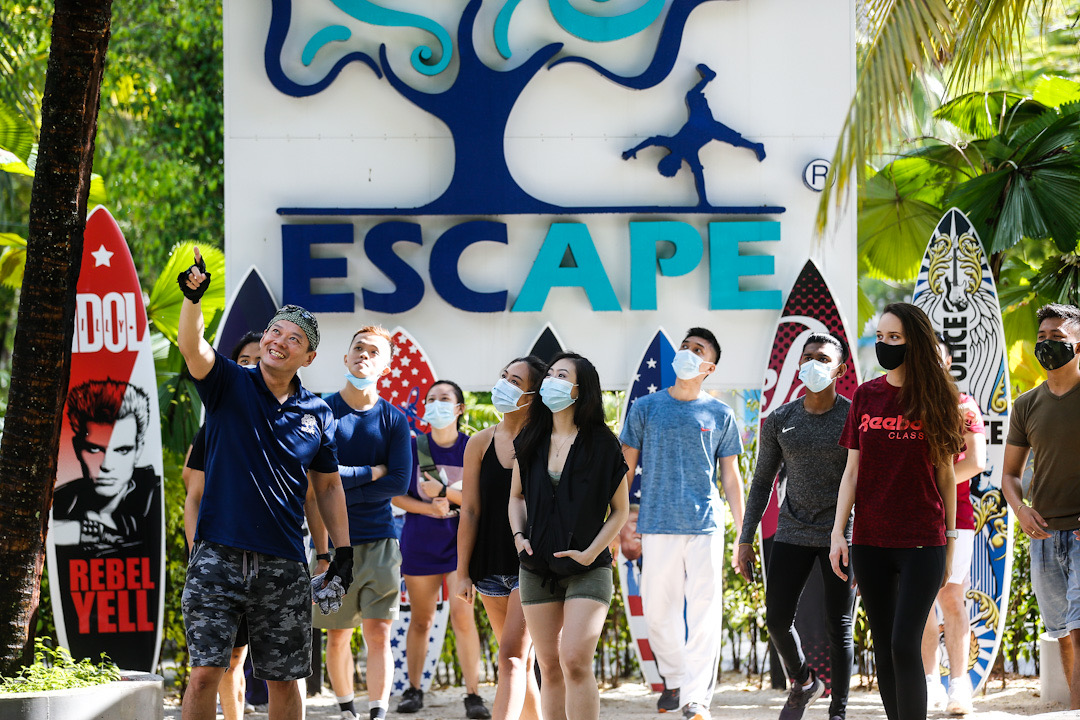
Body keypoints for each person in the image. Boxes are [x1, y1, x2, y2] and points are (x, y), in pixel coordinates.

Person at [177, 248, 354, 720]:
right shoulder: (228, 382)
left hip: (284, 562)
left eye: (294, 338)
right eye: (276, 331)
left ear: (308, 356)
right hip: (217, 556)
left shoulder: (318, 413)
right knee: (204, 673)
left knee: (285, 679)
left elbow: (328, 488)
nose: (280, 341)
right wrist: (193, 300)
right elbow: (193, 348)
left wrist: (342, 552)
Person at [829, 302, 965, 720]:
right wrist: (838, 534)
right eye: (880, 337)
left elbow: (946, 475)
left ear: (914, 342)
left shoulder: (939, 397)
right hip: (870, 541)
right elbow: (852, 472)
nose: (884, 344)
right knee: (885, 646)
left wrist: (950, 540)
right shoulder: (865, 396)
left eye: (894, 337)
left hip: (923, 540)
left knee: (905, 643)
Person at [620, 327, 745, 720]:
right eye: (685, 346)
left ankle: (696, 698)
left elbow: (730, 477)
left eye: (698, 350)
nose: (688, 353)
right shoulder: (646, 407)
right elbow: (625, 468)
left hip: (705, 524)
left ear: (709, 367)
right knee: (658, 611)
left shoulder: (720, 413)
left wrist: (743, 531)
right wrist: (618, 518)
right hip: (656, 523)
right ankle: (674, 678)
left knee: (704, 613)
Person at [736, 333, 855, 720]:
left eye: (823, 358)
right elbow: (761, 482)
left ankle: (838, 711)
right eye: (807, 357)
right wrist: (745, 538)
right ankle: (804, 682)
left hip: (840, 534)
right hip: (792, 529)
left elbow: (865, 481)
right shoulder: (781, 419)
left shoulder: (853, 417)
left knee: (839, 624)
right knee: (776, 620)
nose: (813, 364)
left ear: (840, 370)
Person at [509, 352, 631, 720]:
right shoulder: (530, 438)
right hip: (535, 566)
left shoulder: (603, 443)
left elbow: (620, 510)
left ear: (580, 390)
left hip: (588, 567)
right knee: (549, 667)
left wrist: (590, 552)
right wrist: (519, 536)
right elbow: (516, 497)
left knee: (575, 660)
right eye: (549, 375)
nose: (551, 381)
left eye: (562, 375)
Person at [307, 325, 412, 720]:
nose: (364, 355)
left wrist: (339, 489)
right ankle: (347, 710)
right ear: (345, 356)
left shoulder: (394, 420)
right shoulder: (321, 411)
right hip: (333, 547)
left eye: (373, 352)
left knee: (379, 633)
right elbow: (314, 481)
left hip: (381, 542)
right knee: (338, 635)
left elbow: (399, 482)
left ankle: (377, 713)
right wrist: (371, 473)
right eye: (358, 348)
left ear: (386, 367)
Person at [391, 380, 490, 719]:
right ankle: (413, 690)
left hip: (463, 544)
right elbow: (396, 496)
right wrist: (428, 508)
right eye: (431, 399)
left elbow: (483, 499)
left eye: (444, 398)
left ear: (460, 408)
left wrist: (445, 492)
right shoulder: (411, 447)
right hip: (420, 543)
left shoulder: (473, 446)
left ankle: (473, 695)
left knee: (463, 617)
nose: (436, 404)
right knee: (421, 620)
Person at [455, 357, 546, 720]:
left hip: (532, 565)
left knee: (510, 657)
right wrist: (462, 571)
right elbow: (469, 511)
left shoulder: (546, 442)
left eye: (516, 382)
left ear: (533, 395)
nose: (504, 386)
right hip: (489, 566)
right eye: (504, 377)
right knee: (520, 663)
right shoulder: (479, 442)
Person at [181, 330, 263, 720]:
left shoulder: (297, 418)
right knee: (217, 663)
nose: (252, 367)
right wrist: (197, 553)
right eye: (244, 361)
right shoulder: (214, 423)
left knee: (252, 662)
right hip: (216, 560)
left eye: (259, 359)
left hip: (273, 562)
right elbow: (193, 494)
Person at [1002, 303, 1080, 709]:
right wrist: (1020, 509)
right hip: (1044, 535)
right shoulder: (1026, 404)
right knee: (1062, 632)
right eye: (1042, 337)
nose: (1047, 344)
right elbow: (1009, 475)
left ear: (1079, 345)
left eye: (1058, 337)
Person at [921, 332, 987, 716]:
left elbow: (976, 462)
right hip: (909, 519)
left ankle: (959, 686)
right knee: (920, 602)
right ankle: (929, 683)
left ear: (947, 361)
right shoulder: (901, 405)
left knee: (950, 597)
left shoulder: (964, 405)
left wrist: (929, 485)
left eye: (935, 354)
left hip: (955, 518)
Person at [53, 379, 159, 552]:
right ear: (77, 448)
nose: (107, 465)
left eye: (122, 450)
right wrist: (86, 532)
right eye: (94, 449)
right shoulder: (60, 501)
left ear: (138, 450)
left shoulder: (154, 494)